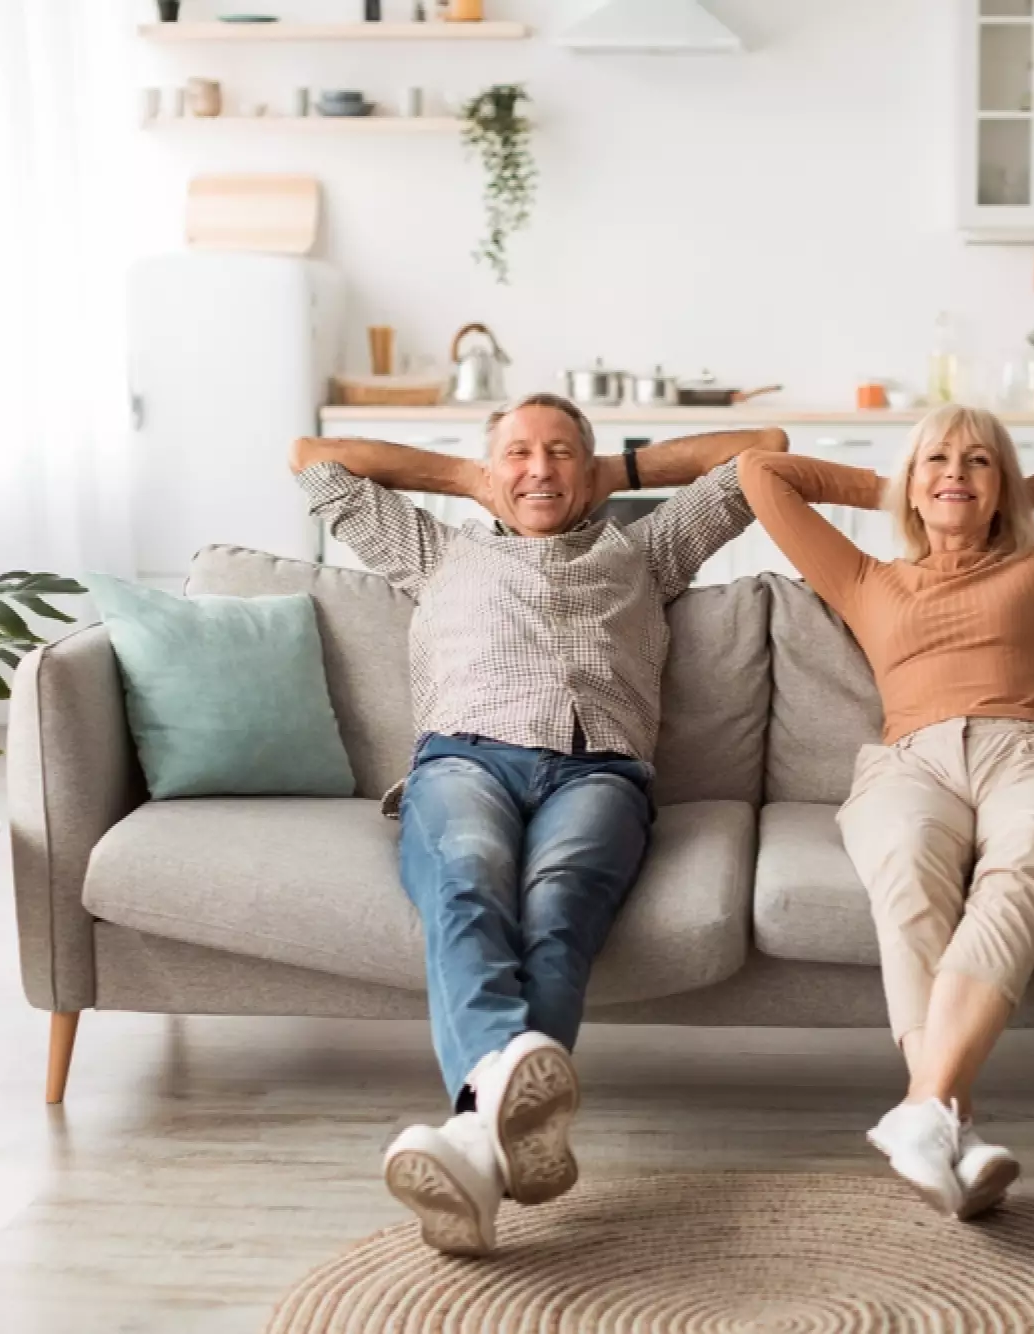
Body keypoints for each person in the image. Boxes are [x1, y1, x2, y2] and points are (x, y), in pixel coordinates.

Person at [291, 392, 787, 1256]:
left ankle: (475, 1149)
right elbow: (310, 456)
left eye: (561, 452)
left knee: (560, 908)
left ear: (589, 470)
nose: (539, 468)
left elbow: (762, 450)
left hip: (600, 772)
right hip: (464, 763)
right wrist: (470, 477)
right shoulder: (434, 550)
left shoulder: (645, 551)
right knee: (470, 875)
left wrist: (617, 472)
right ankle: (494, 1115)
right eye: (519, 453)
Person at [738, 406, 1034, 1220]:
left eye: (977, 463)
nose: (955, 474)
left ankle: (924, 1108)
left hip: (1031, 757)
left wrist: (1022, 486)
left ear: (999, 484)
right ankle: (946, 1122)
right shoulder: (867, 579)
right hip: (911, 765)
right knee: (903, 860)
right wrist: (898, 485)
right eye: (937, 460)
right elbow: (760, 473)